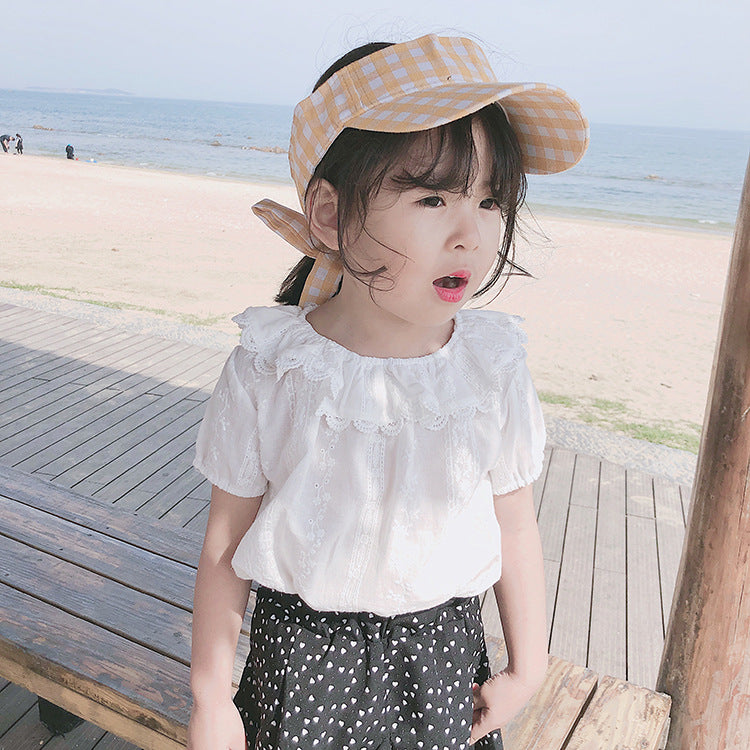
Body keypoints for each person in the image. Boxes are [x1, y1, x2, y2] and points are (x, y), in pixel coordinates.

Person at [188, 33, 588, 750]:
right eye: (432, 197)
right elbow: (226, 540)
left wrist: (528, 668)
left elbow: (514, 524)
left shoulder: (490, 365)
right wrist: (211, 699)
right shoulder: (273, 367)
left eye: (490, 201)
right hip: (302, 664)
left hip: (444, 663)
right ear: (330, 213)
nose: (471, 234)